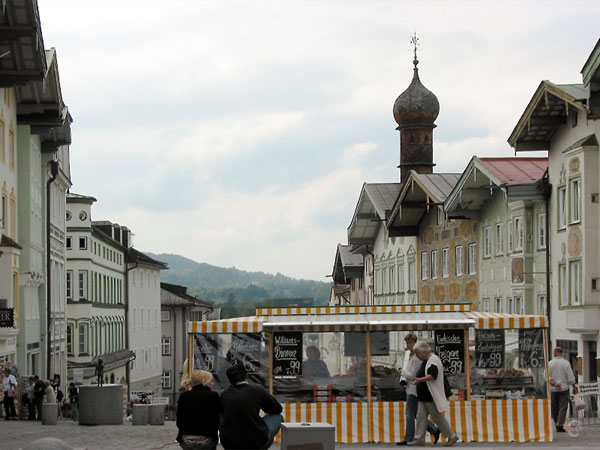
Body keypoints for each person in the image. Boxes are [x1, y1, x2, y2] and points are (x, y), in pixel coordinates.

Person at [220, 364, 283, 450]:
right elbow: (277, 409)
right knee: (278, 417)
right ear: (246, 376)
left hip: (230, 443)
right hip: (255, 441)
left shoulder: (224, 395)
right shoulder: (257, 390)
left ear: (230, 380)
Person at [409, 342, 459, 447]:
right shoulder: (427, 360)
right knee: (421, 417)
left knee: (437, 416)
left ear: (423, 352)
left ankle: (451, 435)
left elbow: (433, 375)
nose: (417, 356)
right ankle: (419, 438)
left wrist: (419, 380)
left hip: (430, 395)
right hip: (424, 395)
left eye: (417, 354)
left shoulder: (433, 361)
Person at [396, 333, 440, 446]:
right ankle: (434, 429)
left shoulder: (417, 358)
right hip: (410, 387)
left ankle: (409, 437)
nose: (409, 345)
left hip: (415, 388)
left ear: (416, 343)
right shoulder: (409, 355)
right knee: (415, 413)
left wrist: (403, 372)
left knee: (409, 413)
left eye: (411, 342)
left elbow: (415, 376)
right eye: (407, 343)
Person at [176, 370, 220, 449]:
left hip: (186, 441)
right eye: (210, 381)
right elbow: (217, 420)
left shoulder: (184, 396)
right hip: (207, 440)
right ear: (204, 381)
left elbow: (179, 421)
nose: (213, 384)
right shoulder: (213, 396)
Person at [548, 347, 576, 432]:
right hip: (564, 389)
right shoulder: (566, 363)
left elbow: (546, 377)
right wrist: (574, 387)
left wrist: (554, 383)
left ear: (555, 353)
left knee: (554, 407)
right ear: (561, 353)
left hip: (553, 389)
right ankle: (559, 424)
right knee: (563, 407)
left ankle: (557, 422)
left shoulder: (550, 363)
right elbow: (571, 377)